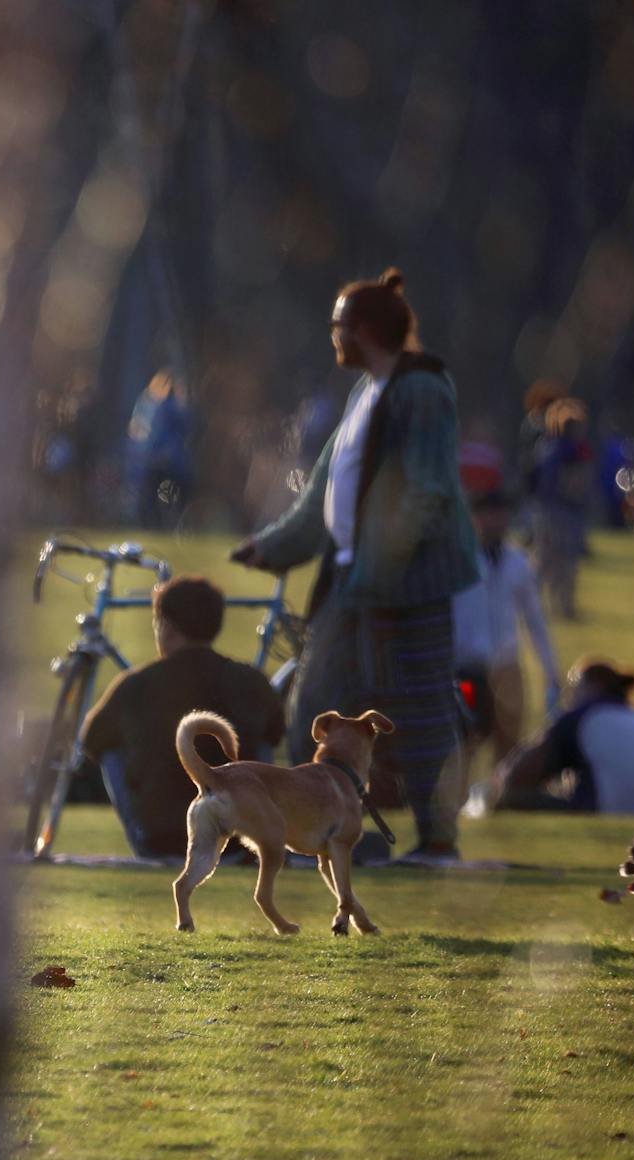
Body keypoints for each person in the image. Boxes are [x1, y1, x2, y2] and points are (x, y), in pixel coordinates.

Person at [230, 268, 478, 859]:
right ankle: (317, 832)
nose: (333, 335)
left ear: (364, 330)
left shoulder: (422, 391)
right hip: (352, 583)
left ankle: (437, 839)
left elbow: (427, 491)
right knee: (317, 707)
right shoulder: (366, 391)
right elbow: (326, 489)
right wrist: (275, 546)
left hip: (409, 587)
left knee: (420, 712)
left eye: (338, 325)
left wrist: (382, 569)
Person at [79, 575, 284, 858]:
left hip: (162, 839)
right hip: (237, 839)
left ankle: (144, 837)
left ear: (167, 627)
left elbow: (91, 740)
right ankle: (260, 832)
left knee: (110, 747)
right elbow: (276, 732)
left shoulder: (136, 684)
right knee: (261, 741)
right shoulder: (251, 680)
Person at [453, 490, 560, 782]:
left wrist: (550, 670)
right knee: (465, 739)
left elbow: (534, 620)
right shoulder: (459, 561)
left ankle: (500, 796)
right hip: (467, 670)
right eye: (489, 515)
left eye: (501, 515)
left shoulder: (517, 562)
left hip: (506, 668)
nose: (496, 522)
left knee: (509, 741)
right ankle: (458, 796)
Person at [492, 656, 634, 814]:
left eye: (574, 686)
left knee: (508, 798)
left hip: (600, 810)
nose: (568, 696)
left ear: (590, 686)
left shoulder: (582, 716)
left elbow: (518, 776)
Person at [527, 396, 592, 620]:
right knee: (566, 561)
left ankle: (528, 602)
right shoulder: (575, 450)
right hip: (566, 511)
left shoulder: (545, 446)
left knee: (543, 560)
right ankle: (564, 607)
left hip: (542, 510)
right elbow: (575, 482)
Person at [124, 368, 195, 530]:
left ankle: (167, 524)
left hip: (168, 461)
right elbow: (137, 430)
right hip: (152, 459)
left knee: (168, 495)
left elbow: (183, 428)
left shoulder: (172, 406)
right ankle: (152, 524)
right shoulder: (147, 403)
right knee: (151, 495)